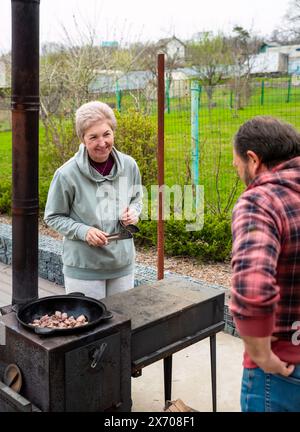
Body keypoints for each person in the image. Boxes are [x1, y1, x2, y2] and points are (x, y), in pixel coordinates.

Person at [230, 116, 300, 412]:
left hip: (282, 369)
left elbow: (253, 287)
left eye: (236, 166)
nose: (238, 173)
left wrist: (261, 354)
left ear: (253, 160)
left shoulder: (260, 202)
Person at [44, 101, 143, 300]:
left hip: (122, 264)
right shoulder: (66, 174)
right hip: (84, 268)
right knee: (89, 328)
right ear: (82, 139)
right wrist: (84, 231)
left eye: (106, 134)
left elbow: (137, 198)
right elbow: (53, 217)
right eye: (93, 137)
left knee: (121, 325)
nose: (102, 142)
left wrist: (134, 212)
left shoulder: (130, 165)